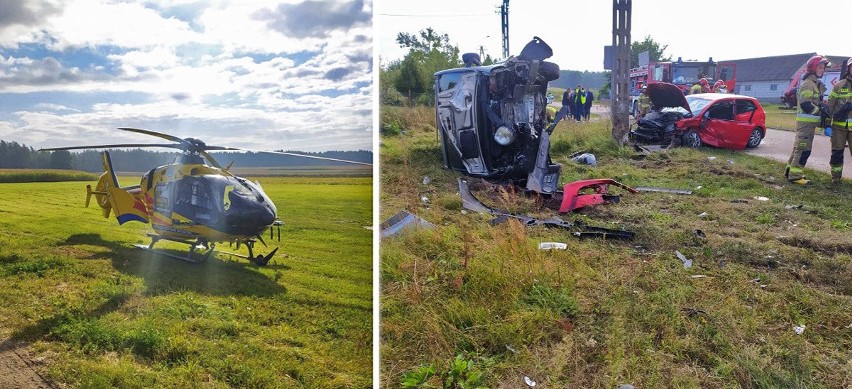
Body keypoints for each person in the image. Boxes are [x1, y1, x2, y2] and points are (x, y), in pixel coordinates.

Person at [786, 55, 831, 185]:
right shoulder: (808, 84)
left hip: (807, 124)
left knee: (798, 148)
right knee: (803, 150)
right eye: (820, 67)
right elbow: (806, 104)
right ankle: (795, 176)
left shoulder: (814, 83)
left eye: (823, 68)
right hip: (806, 125)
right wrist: (820, 112)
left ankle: (789, 171)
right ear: (813, 68)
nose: (823, 70)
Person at [827, 57, 852, 183]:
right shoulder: (838, 86)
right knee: (837, 153)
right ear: (848, 68)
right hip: (838, 127)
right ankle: (835, 178)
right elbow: (830, 106)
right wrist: (827, 124)